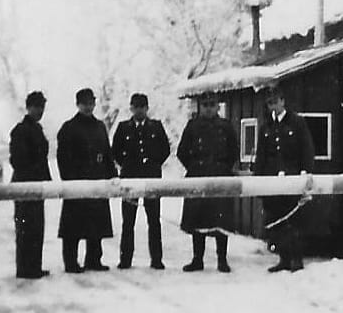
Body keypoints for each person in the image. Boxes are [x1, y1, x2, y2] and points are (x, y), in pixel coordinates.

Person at [254, 86, 315, 273]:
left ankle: (296, 260)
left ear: (283, 101)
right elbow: (261, 156)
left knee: (293, 220)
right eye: (269, 103)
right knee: (277, 219)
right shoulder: (266, 127)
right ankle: (284, 259)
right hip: (272, 181)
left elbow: (307, 149)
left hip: (292, 179)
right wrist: (259, 181)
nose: (273, 106)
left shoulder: (297, 123)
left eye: (275, 101)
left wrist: (305, 173)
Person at [177, 93, 239, 273]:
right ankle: (197, 259)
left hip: (220, 177)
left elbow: (234, 151)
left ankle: (222, 260)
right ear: (199, 107)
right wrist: (195, 167)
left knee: (221, 222)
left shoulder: (226, 127)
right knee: (198, 221)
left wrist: (223, 168)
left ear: (218, 107)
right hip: (198, 177)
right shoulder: (192, 126)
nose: (209, 108)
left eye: (212, 104)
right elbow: (182, 152)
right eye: (205, 105)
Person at [57, 88, 117, 273]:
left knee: (96, 224)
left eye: (91, 103)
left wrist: (112, 175)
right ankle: (71, 262)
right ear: (78, 104)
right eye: (84, 103)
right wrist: (69, 180)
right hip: (77, 183)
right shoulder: (68, 128)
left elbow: (107, 153)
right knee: (73, 226)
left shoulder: (100, 126)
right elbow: (62, 158)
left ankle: (93, 260)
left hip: (97, 181)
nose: (88, 106)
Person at [112, 93, 170, 270]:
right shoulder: (123, 128)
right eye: (136, 107)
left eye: (142, 107)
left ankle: (157, 259)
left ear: (147, 108)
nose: (139, 110)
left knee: (154, 221)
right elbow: (115, 151)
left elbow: (165, 149)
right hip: (130, 179)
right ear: (131, 108)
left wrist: (153, 164)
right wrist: (128, 166)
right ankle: (125, 259)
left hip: (151, 179)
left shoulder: (156, 127)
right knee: (128, 222)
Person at [9, 91, 51, 279]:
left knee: (36, 227)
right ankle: (25, 269)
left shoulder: (37, 129)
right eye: (36, 107)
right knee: (26, 229)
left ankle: (34, 266)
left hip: (36, 186)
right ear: (28, 107)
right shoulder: (20, 130)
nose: (39, 111)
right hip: (24, 186)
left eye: (42, 107)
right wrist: (34, 174)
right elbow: (17, 160)